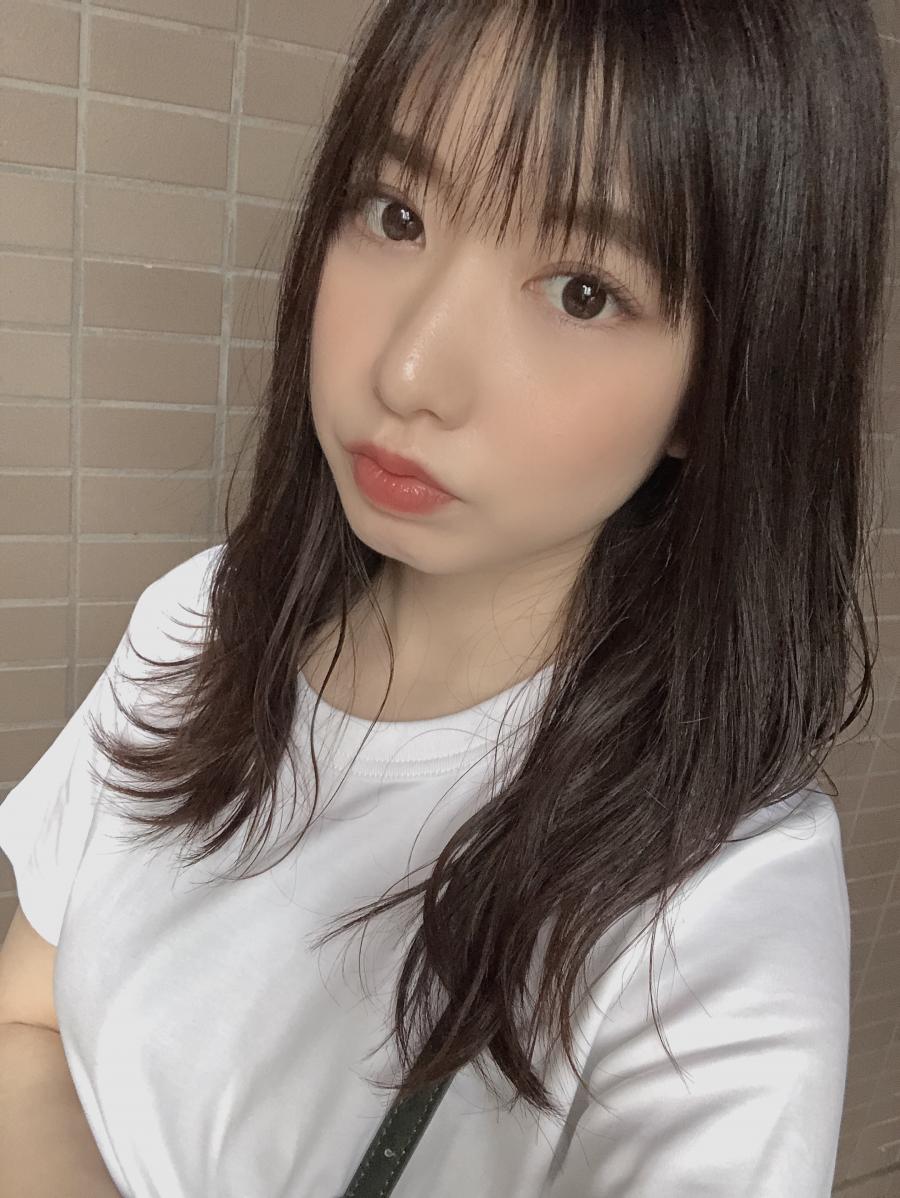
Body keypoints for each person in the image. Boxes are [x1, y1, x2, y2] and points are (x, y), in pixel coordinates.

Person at [0, 0, 891, 1194]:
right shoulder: (201, 619)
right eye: (397, 213)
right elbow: (27, 1017)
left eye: (583, 291)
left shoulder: (720, 900)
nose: (408, 368)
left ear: (720, 386)